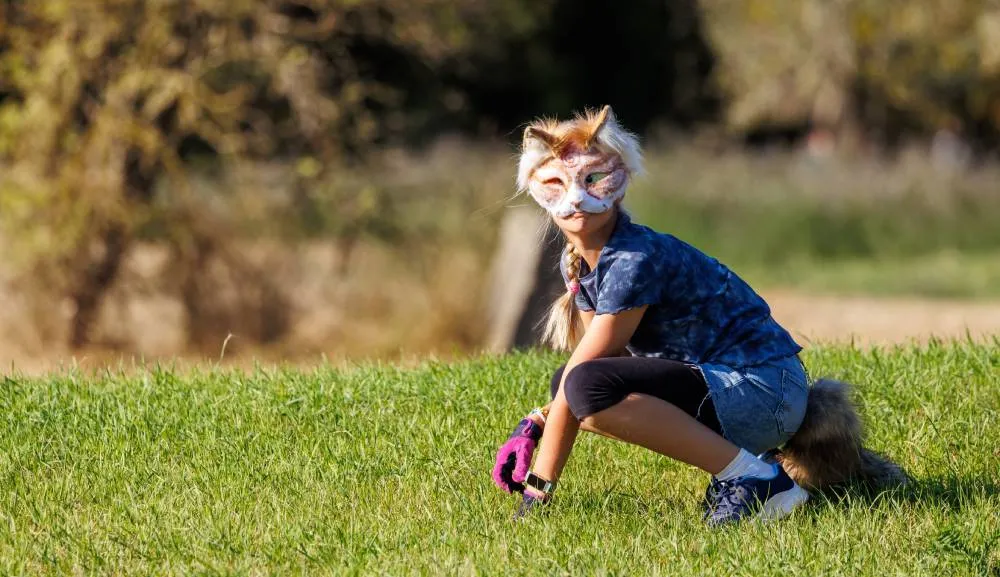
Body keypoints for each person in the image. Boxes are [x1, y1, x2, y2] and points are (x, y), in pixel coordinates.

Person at [491, 105, 811, 526]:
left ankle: (756, 479)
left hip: (764, 391)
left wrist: (535, 490)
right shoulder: (588, 264)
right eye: (555, 182)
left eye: (593, 179)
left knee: (581, 384)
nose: (575, 197)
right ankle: (745, 471)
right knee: (572, 384)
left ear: (620, 182)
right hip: (739, 389)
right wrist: (542, 419)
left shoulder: (633, 258)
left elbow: (585, 378)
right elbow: (599, 369)